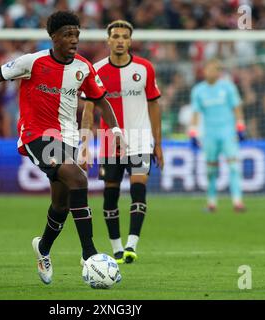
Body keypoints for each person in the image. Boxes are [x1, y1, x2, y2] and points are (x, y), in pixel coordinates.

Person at [0, 11, 125, 285]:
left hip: (67, 138)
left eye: (76, 35)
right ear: (53, 37)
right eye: (67, 35)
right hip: (35, 135)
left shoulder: (84, 67)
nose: (74, 40)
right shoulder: (33, 62)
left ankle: (43, 248)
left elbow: (101, 100)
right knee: (78, 178)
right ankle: (89, 253)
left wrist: (115, 130)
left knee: (61, 203)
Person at [81, 20, 163, 264]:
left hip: (140, 137)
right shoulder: (96, 70)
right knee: (110, 195)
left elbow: (154, 104)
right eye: (115, 36)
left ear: (130, 41)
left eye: (124, 36)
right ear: (108, 40)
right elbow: (88, 110)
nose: (119, 40)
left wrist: (158, 143)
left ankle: (131, 245)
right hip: (109, 140)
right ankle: (116, 248)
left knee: (139, 188)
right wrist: (84, 145)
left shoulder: (145, 68)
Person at [189, 58, 246, 213]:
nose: (210, 72)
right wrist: (193, 133)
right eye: (208, 69)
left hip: (227, 132)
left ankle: (237, 202)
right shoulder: (198, 90)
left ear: (219, 72)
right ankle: (211, 203)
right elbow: (195, 113)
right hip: (209, 134)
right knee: (211, 170)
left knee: (234, 167)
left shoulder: (228, 88)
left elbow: (236, 107)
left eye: (214, 69)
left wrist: (240, 127)